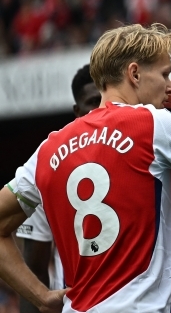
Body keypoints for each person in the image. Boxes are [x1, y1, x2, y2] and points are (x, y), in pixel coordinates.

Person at [0, 23, 171, 312]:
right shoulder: (155, 124)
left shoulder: (49, 148)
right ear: (134, 73)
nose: (170, 86)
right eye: (164, 74)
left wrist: (42, 297)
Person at [17, 64, 101, 313]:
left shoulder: (141, 152)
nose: (98, 110)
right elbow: (35, 268)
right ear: (77, 111)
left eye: (104, 100)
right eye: (91, 102)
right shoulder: (48, 163)